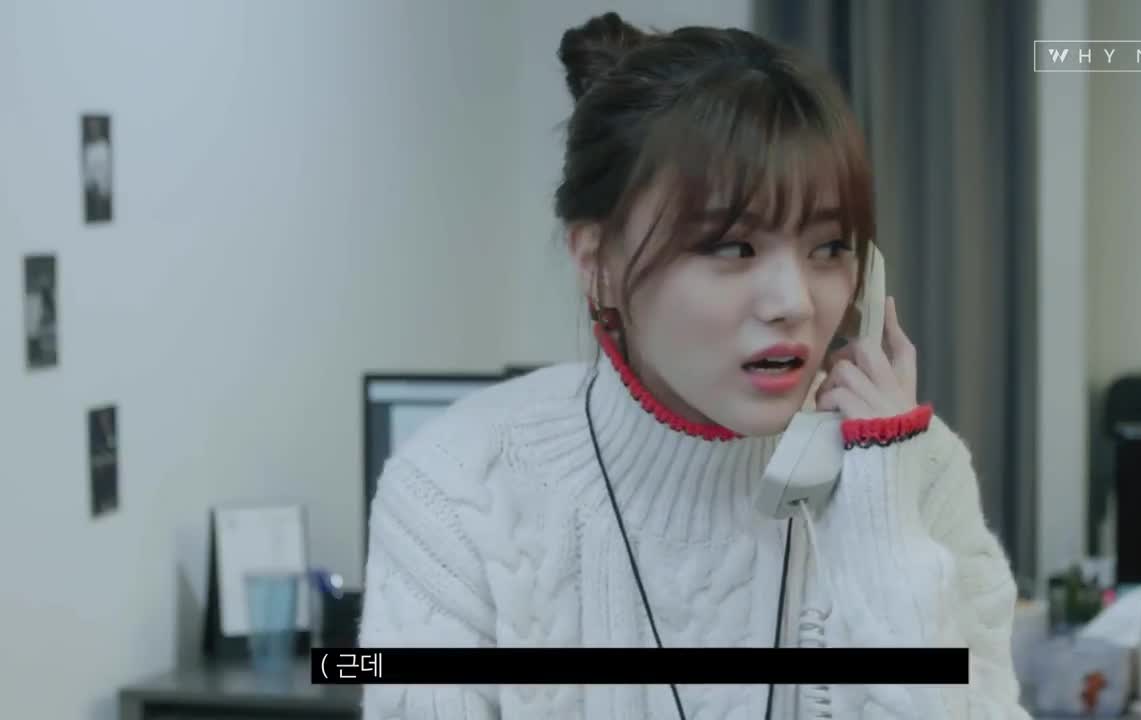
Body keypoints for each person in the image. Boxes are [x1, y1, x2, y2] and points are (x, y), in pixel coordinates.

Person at [359, 12, 1028, 719]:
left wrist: (881, 535)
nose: (795, 303)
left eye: (830, 248)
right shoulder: (455, 492)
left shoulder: (918, 476)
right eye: (734, 248)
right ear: (598, 262)